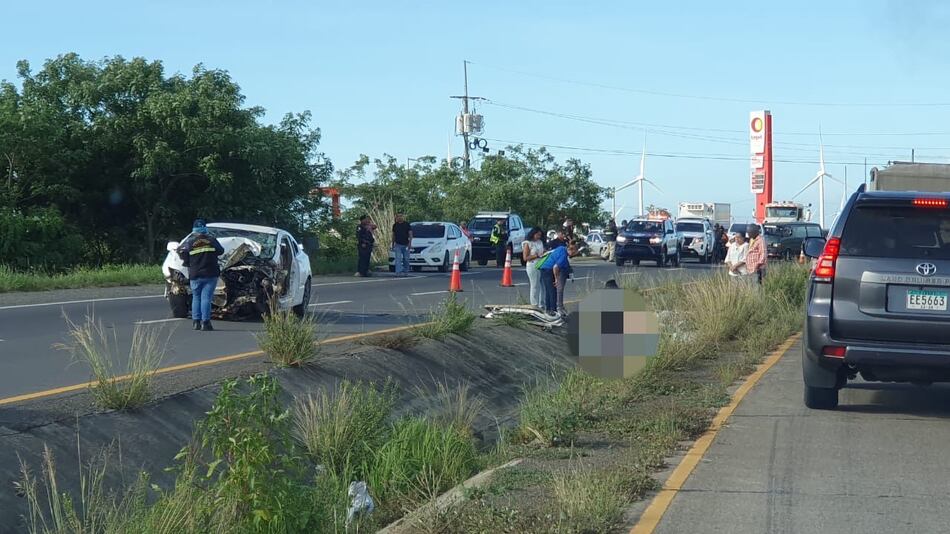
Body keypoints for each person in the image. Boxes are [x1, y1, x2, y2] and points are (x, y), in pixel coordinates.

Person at [177, 218, 224, 331]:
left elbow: (182, 253)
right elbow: (221, 251)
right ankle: (206, 323)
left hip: (195, 274)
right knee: (206, 298)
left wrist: (188, 262)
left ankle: (196, 322)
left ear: (194, 230)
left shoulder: (190, 242)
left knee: (196, 297)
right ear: (205, 229)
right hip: (210, 274)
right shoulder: (212, 240)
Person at [536, 241, 578, 316]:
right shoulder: (564, 256)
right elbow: (555, 267)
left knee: (548, 290)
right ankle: (553, 310)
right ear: (572, 250)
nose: (573, 255)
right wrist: (556, 279)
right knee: (552, 291)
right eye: (574, 253)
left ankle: (548, 310)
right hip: (548, 270)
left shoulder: (562, 248)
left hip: (544, 268)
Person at [522, 228, 547, 309]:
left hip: (541, 264)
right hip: (532, 265)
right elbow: (525, 258)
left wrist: (545, 253)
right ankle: (534, 304)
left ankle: (542, 304)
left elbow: (542, 252)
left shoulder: (540, 242)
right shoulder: (528, 243)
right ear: (533, 234)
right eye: (537, 235)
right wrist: (536, 255)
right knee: (535, 285)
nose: (538, 237)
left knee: (543, 285)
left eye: (540, 235)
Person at [391, 213, 412, 277]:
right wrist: (392, 243)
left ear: (403, 217)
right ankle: (398, 272)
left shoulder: (407, 224)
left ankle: (406, 271)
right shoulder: (395, 225)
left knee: (406, 259)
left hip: (406, 244)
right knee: (398, 259)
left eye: (401, 216)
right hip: (398, 244)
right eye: (398, 216)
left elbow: (410, 234)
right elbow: (393, 235)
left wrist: (409, 243)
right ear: (396, 217)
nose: (399, 217)